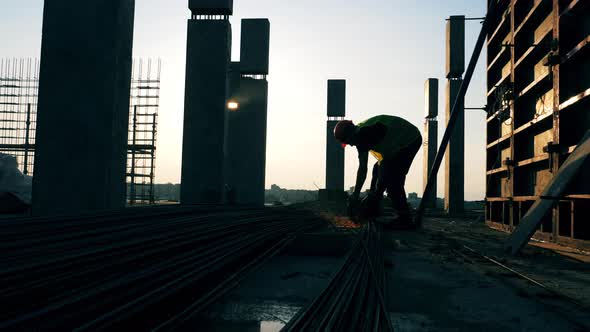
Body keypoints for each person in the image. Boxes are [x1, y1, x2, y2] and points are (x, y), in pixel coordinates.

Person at [334, 115, 422, 225]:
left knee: (393, 183)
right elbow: (374, 167)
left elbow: (362, 170)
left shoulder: (363, 135)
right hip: (396, 145)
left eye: (347, 141)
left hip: (409, 140)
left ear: (349, 134)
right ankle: (375, 209)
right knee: (378, 173)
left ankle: (404, 219)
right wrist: (372, 193)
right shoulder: (360, 133)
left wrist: (356, 195)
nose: (350, 145)